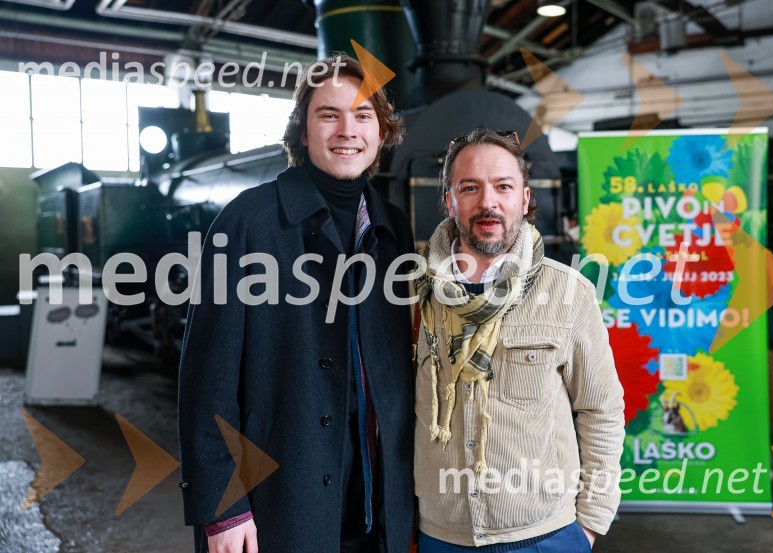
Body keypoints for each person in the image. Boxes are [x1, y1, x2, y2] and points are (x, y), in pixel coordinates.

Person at [178, 54, 415, 553]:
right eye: (329, 114)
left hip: (377, 509)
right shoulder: (248, 223)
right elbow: (206, 383)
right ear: (303, 133)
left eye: (363, 115)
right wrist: (223, 510)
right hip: (277, 510)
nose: (347, 130)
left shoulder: (394, 231)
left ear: (381, 133)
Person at [413, 129, 625, 552]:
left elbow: (601, 410)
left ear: (524, 200)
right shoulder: (413, 294)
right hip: (441, 535)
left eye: (503, 186)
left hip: (545, 534)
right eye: (469, 187)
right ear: (448, 201)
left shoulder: (569, 292)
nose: (488, 202)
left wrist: (590, 523)